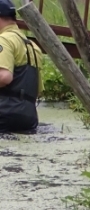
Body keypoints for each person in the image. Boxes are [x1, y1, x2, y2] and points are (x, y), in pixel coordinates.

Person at [0, 0, 42, 133]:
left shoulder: (4, 40)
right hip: (28, 117)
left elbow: (4, 77)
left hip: (4, 113)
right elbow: (39, 90)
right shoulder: (32, 46)